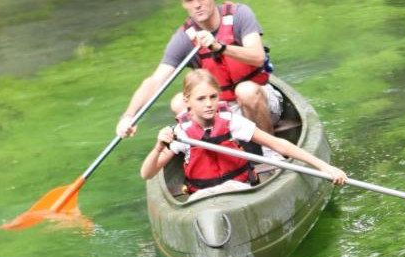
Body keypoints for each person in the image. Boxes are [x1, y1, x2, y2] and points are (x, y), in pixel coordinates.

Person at [140, 70, 346, 197]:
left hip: (238, 191)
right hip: (203, 199)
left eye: (213, 97)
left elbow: (279, 144)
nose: (209, 104)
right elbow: (147, 174)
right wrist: (158, 148)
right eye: (201, 99)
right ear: (187, 102)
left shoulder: (232, 122)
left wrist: (325, 167)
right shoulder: (181, 133)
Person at [117, 0, 280, 138]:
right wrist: (128, 116)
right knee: (179, 102)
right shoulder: (184, 37)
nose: (196, 5)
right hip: (221, 110)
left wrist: (219, 47)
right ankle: (214, 152)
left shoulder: (239, 14)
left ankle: (269, 152)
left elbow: (258, 57)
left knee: (246, 91)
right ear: (183, 4)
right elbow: (155, 81)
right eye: (189, 1)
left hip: (261, 102)